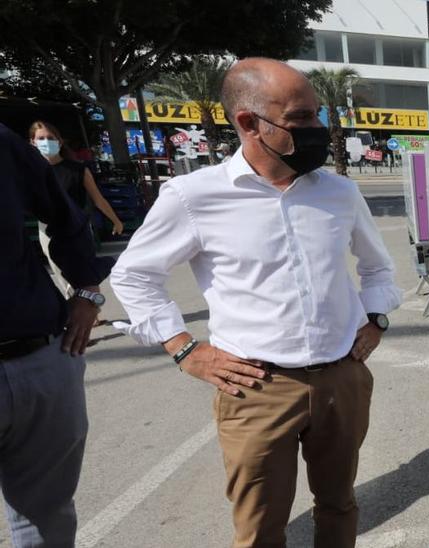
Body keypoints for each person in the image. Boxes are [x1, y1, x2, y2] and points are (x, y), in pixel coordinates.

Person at [110, 58, 402, 548]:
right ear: (248, 123)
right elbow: (135, 277)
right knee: (260, 527)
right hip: (257, 388)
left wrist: (375, 318)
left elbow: (378, 267)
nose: (318, 130)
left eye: (316, 116)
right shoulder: (193, 196)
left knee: (339, 504)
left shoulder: (339, 192)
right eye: (302, 118)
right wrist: (186, 349)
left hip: (341, 378)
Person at [1, 122, 113, 547]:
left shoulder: (4, 146)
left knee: (47, 519)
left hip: (38, 360)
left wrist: (87, 290)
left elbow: (67, 218)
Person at [30, 121, 125, 236]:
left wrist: (116, 221)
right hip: (48, 228)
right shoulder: (33, 171)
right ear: (33, 142)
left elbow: (98, 199)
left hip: (76, 226)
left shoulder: (78, 170)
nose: (46, 142)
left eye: (50, 138)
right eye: (41, 138)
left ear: (59, 142)